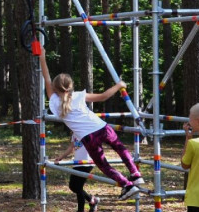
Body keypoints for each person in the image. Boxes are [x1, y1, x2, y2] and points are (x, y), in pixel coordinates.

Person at [40, 47, 143, 201]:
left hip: (89, 137)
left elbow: (46, 77)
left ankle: (127, 185)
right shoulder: (78, 96)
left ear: (55, 88)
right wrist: (118, 85)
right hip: (102, 127)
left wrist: (42, 56)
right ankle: (135, 174)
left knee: (103, 165)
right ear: (70, 86)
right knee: (120, 148)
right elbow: (102, 97)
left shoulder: (54, 102)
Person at [55, 134, 100, 212]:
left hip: (87, 163)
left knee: (78, 187)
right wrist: (61, 157)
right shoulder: (74, 133)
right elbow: (71, 147)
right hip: (77, 163)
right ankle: (92, 200)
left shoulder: (87, 131)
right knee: (73, 186)